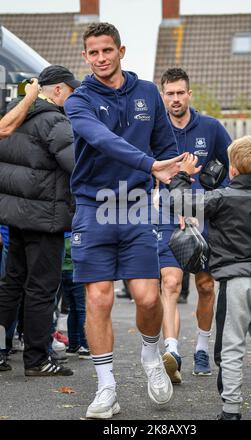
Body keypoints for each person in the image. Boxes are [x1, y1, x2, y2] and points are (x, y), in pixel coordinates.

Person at [64, 22, 185, 419]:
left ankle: (151, 356)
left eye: (107, 51)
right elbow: (103, 141)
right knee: (97, 297)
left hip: (136, 207)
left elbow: (167, 149)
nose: (100, 58)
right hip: (91, 205)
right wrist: (151, 164)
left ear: (121, 50)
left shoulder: (149, 93)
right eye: (93, 53)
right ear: (85, 57)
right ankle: (107, 387)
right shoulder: (78, 100)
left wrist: (181, 177)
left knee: (150, 297)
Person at [169, 137, 251, 420]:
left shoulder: (220, 198)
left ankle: (231, 410)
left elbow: (178, 202)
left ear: (233, 170)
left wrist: (183, 175)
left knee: (231, 348)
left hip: (233, 284)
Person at [0, 65, 80, 376]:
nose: (72, 98)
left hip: (15, 216)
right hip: (45, 218)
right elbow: (78, 166)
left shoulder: (13, 115)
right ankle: (36, 358)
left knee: (12, 284)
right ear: (57, 90)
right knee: (42, 288)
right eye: (71, 91)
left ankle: (1, 350)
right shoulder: (56, 122)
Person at [158, 67, 231, 383]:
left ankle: (202, 346)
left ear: (189, 94)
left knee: (204, 286)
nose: (175, 99)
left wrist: (215, 200)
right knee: (170, 284)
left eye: (180, 92)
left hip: (205, 219)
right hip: (168, 218)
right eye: (170, 93)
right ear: (163, 97)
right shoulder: (155, 131)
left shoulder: (211, 128)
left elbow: (231, 168)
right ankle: (172, 351)